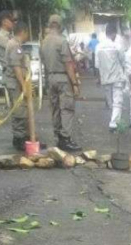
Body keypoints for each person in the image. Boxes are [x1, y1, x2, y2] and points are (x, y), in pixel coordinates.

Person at [40, 14, 82, 151]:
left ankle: (58, 136)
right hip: (63, 78)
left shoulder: (44, 42)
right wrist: (75, 83)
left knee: (55, 108)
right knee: (67, 108)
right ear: (59, 25)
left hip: (50, 78)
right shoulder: (61, 41)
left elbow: (44, 63)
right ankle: (66, 139)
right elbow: (68, 64)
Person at [5, 21, 31, 151]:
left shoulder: (13, 43)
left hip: (14, 82)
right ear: (23, 32)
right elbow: (16, 67)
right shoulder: (15, 46)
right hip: (15, 83)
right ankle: (19, 139)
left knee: (20, 110)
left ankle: (22, 138)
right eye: (27, 33)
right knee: (19, 111)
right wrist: (23, 85)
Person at [96, 22, 126, 132]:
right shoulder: (117, 46)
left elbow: (97, 65)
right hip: (117, 78)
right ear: (114, 33)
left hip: (105, 78)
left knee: (111, 102)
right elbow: (123, 61)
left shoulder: (98, 47)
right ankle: (113, 124)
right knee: (118, 102)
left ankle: (113, 121)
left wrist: (99, 78)